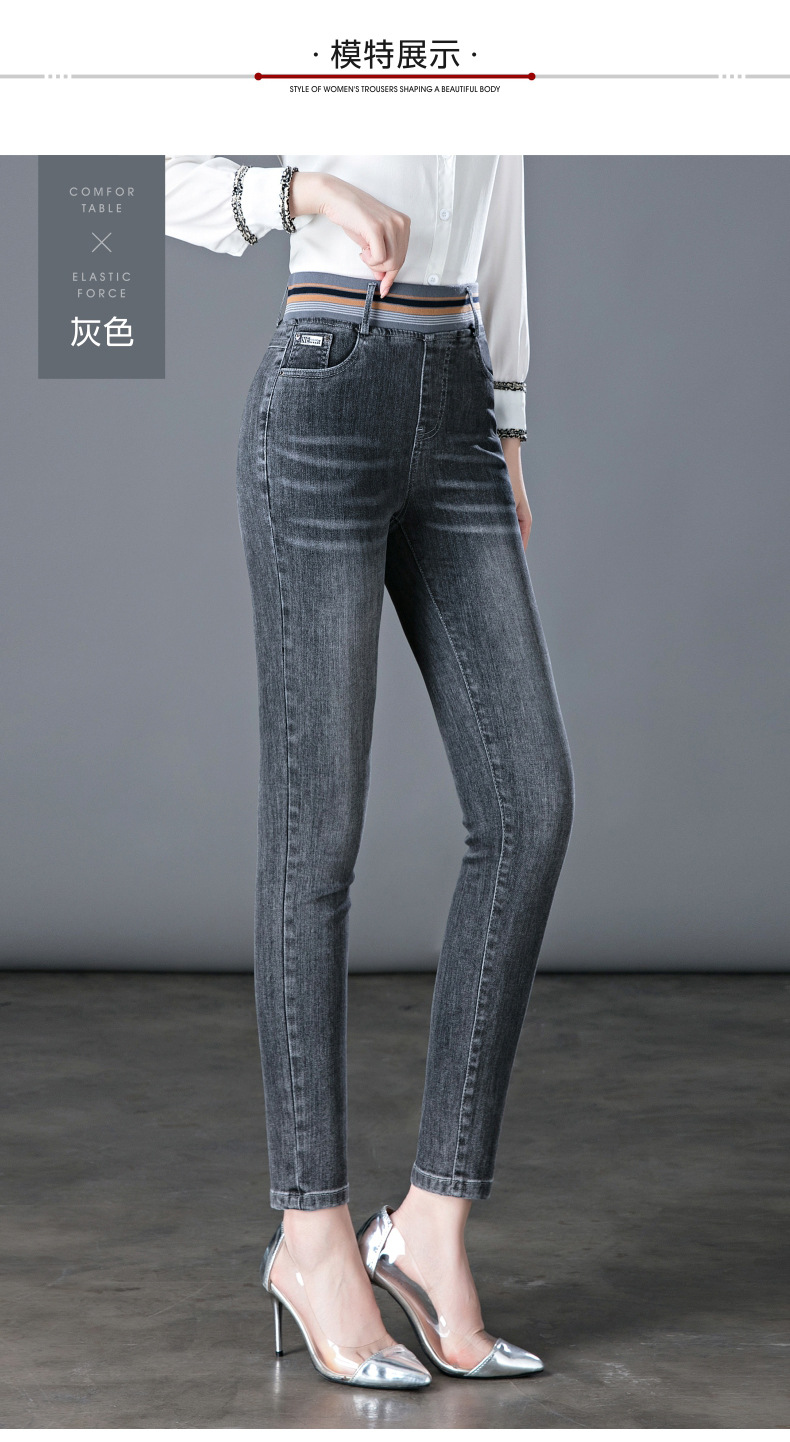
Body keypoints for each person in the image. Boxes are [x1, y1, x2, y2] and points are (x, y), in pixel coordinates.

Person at [165, 155, 575, 1389]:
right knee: (317, 837)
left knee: (528, 806)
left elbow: (500, 200)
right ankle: (311, 1236)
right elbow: (138, 178)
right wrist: (306, 193)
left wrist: (508, 420)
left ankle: (431, 1225)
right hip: (325, 381)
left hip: (456, 395)